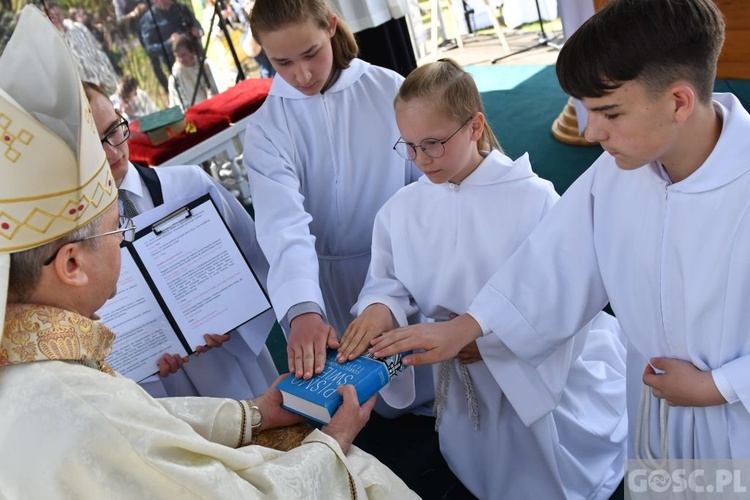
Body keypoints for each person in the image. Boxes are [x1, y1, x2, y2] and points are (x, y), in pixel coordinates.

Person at [0, 7, 417, 498]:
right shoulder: (77, 394)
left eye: (116, 132)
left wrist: (253, 406)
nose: (124, 237)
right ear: (71, 263)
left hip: (363, 290)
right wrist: (334, 442)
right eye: (115, 231)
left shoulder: (45, 361)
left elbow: (152, 425)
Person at [371, 0, 750, 463]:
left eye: (609, 113)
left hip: (733, 418)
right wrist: (465, 329)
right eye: (586, 111)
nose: (591, 133)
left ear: (678, 102)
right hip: (654, 404)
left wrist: (720, 385)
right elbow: (555, 262)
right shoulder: (618, 173)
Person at [338, 59, 627, 499]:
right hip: (457, 377)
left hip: (524, 371)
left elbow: (560, 293)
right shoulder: (401, 209)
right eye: (409, 146)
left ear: (475, 127)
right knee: (473, 458)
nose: (420, 161)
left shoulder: (533, 200)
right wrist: (379, 308)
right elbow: (388, 279)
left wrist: (489, 339)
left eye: (433, 144)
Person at [242, 0, 424, 392]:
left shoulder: (388, 89)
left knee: (428, 377)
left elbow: (422, 184)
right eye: (282, 63)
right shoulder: (266, 129)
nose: (302, 74)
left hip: (403, 260)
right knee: (359, 385)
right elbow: (283, 226)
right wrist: (303, 309)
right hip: (325, 277)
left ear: (331, 27)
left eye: (311, 53)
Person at [84, 80, 277, 400]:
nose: (112, 151)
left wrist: (233, 317)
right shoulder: (77, 241)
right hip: (160, 388)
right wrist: (139, 367)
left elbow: (255, 254)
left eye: (113, 130)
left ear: (121, 116)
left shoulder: (189, 185)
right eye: (93, 147)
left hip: (227, 357)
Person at [45, 2, 118, 93]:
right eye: (53, 17)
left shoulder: (79, 28)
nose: (57, 18)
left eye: (58, 14)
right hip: (86, 92)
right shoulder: (54, 44)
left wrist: (106, 77)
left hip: (103, 82)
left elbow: (98, 54)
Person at [139, 0, 203, 90]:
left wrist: (198, 31)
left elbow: (196, 25)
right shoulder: (149, 20)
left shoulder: (181, 8)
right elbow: (149, 49)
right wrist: (169, 43)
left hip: (197, 60)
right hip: (177, 68)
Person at [168, 33, 219, 110]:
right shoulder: (176, 76)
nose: (181, 59)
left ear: (192, 51)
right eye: (178, 56)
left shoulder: (203, 65)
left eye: (184, 55)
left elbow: (214, 89)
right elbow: (179, 104)